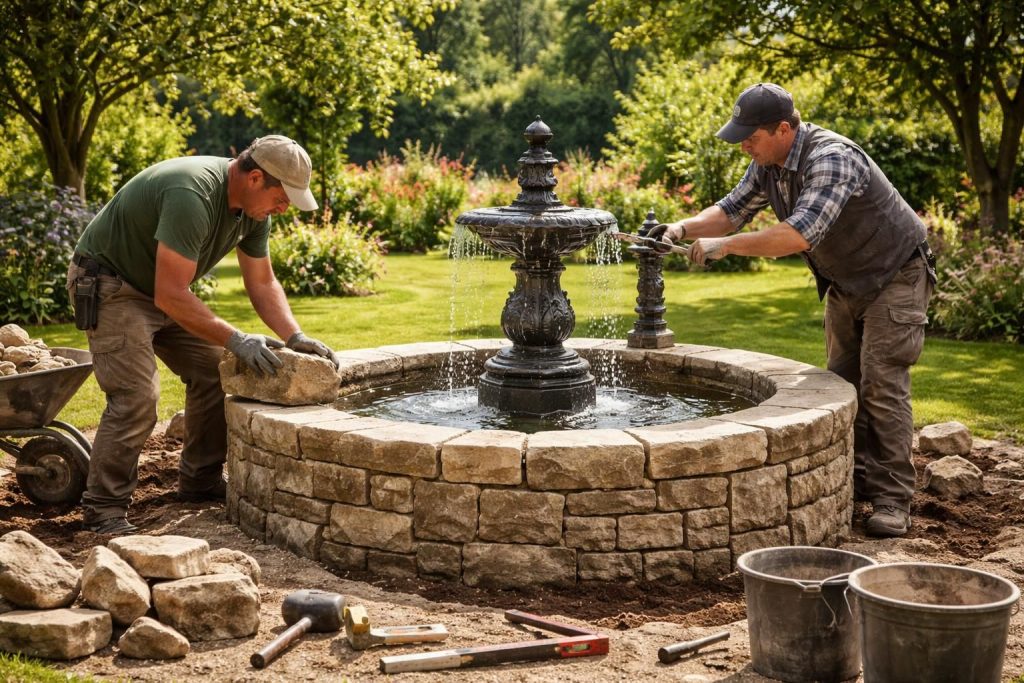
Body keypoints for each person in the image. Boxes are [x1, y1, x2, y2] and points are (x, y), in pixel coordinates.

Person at [651, 83, 935, 538]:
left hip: (896, 274)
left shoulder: (832, 157)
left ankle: (892, 499)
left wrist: (725, 247)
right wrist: (681, 227)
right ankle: (857, 480)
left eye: (751, 136)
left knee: (882, 383)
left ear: (784, 129)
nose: (743, 144)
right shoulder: (768, 162)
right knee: (842, 383)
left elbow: (798, 234)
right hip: (846, 281)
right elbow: (731, 210)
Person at [67, 135, 339, 535]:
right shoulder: (191, 192)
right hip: (112, 286)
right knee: (137, 397)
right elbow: (170, 293)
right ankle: (104, 508)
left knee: (216, 371)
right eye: (283, 197)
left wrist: (294, 335)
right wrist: (236, 338)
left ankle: (200, 481)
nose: (285, 208)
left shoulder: (253, 214)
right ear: (256, 178)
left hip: (160, 288)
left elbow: (261, 283)